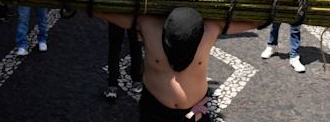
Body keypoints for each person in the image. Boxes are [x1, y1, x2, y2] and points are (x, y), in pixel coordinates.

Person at [95, 8, 259, 121]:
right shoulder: (147, 24)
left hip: (196, 111)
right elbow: (101, 11)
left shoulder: (212, 27)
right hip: (154, 111)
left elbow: (256, 21)